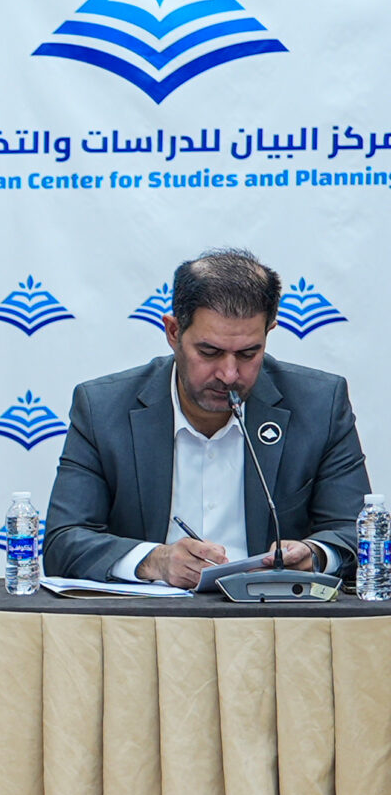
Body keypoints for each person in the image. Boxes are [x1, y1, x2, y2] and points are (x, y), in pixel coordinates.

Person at [45, 248, 369, 586]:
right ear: (173, 332)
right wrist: (155, 561)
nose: (229, 374)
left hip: (273, 612)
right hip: (151, 614)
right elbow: (62, 542)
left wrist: (316, 554)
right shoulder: (102, 408)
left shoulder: (320, 405)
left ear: (268, 333)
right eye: (209, 352)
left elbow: (358, 533)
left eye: (248, 353)